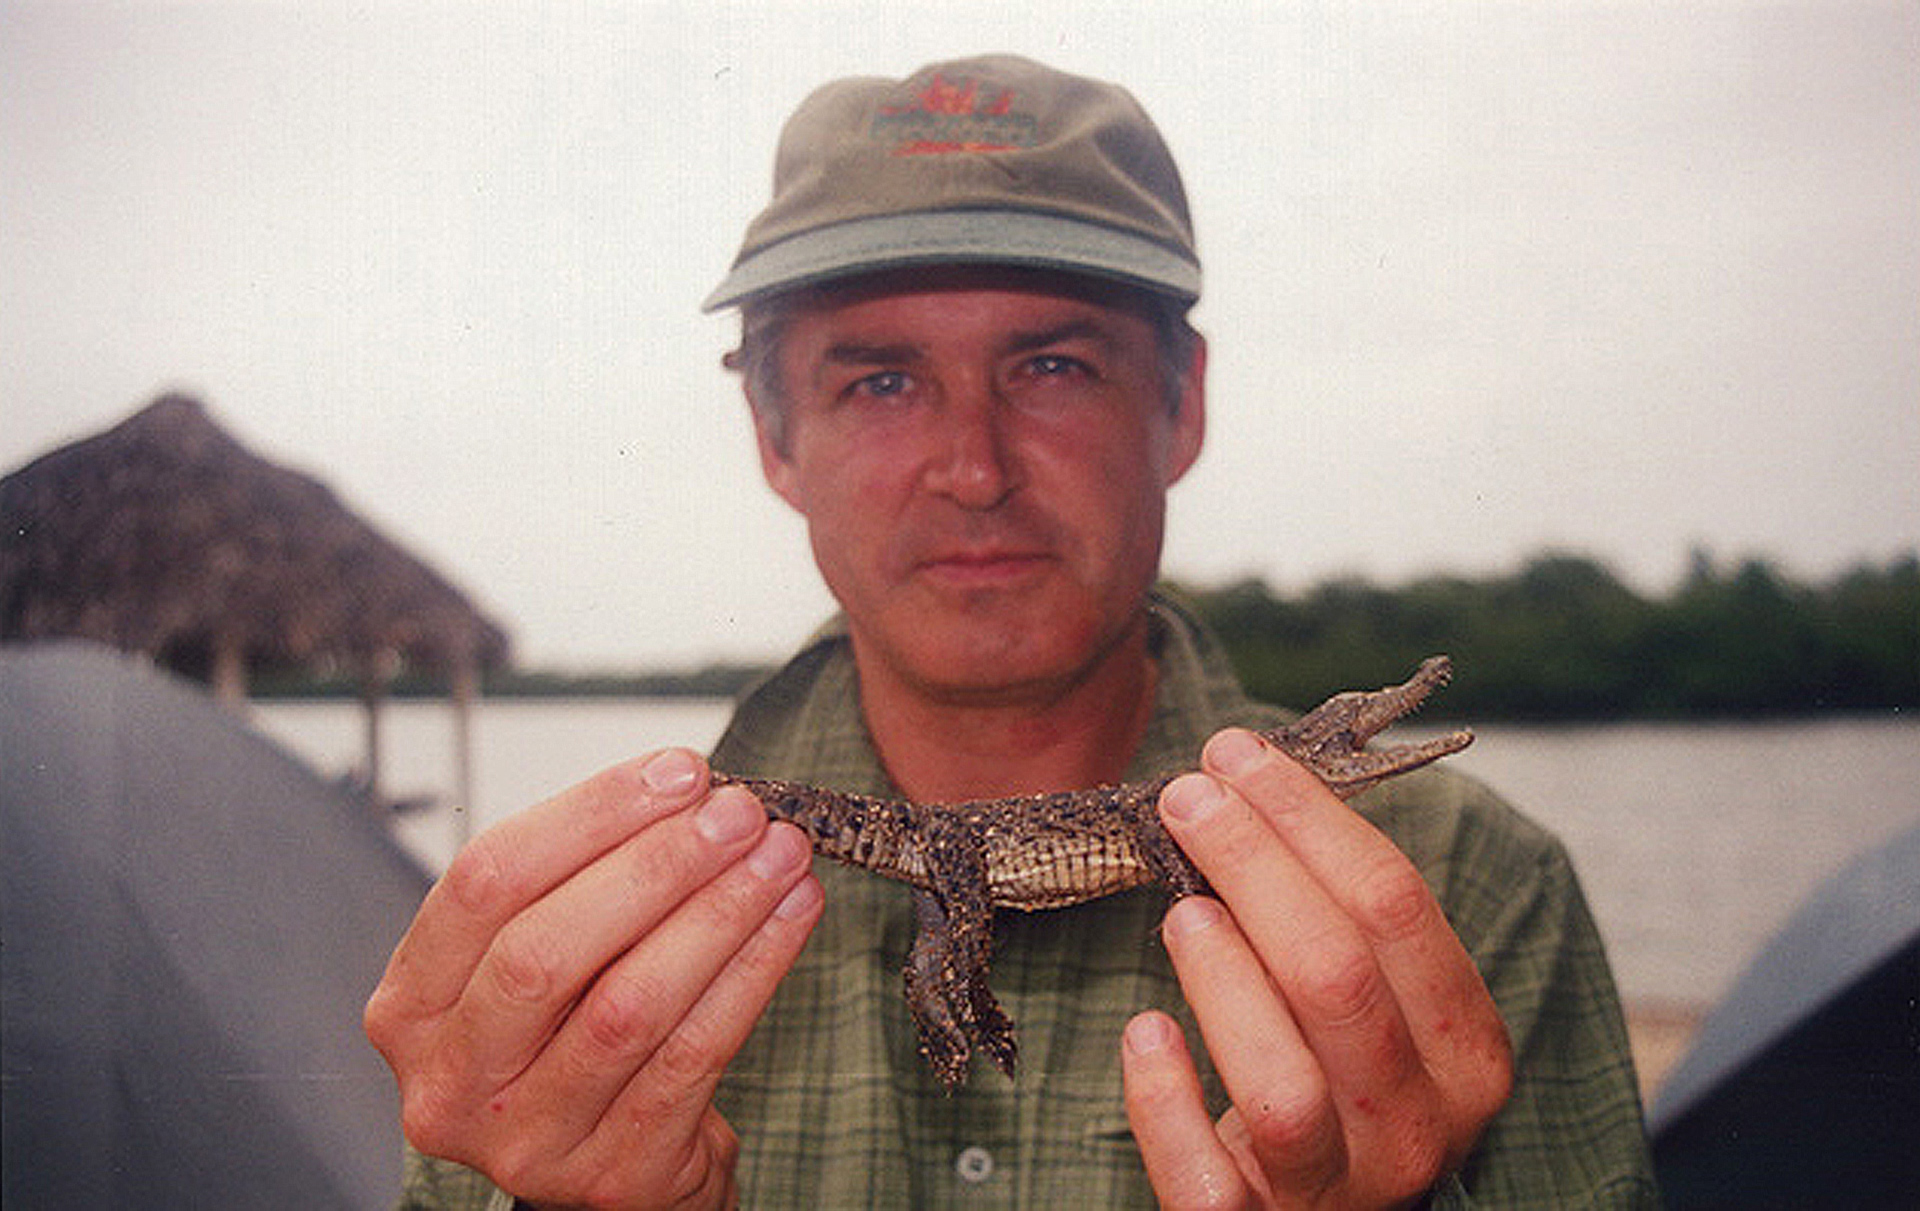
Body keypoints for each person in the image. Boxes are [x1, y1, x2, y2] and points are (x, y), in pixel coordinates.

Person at [365, 55, 1658, 1209]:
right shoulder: (572, 944)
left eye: (1052, 365)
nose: (972, 469)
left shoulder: (1483, 885)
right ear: (773, 437)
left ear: (1183, 401)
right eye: (880, 380)